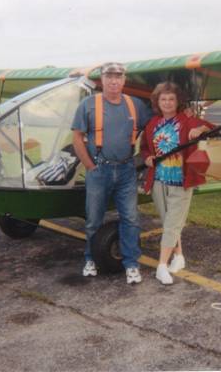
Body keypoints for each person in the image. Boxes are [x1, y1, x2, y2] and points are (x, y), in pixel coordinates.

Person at [72, 62, 153, 284]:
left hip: (127, 170)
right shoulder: (88, 105)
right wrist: (89, 165)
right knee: (94, 220)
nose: (114, 81)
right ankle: (90, 258)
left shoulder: (135, 105)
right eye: (109, 76)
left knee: (131, 218)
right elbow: (77, 137)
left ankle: (131, 264)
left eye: (118, 76)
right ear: (102, 80)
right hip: (99, 170)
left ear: (124, 80)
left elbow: (153, 126)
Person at [141, 82, 214, 285]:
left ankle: (161, 266)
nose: (167, 103)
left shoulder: (186, 120)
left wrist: (199, 129)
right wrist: (147, 158)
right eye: (163, 99)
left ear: (178, 102)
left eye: (171, 99)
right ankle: (179, 257)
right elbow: (145, 148)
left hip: (181, 181)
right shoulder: (153, 123)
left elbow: (210, 128)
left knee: (172, 223)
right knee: (168, 223)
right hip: (158, 180)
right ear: (157, 102)